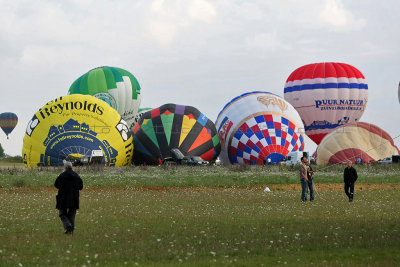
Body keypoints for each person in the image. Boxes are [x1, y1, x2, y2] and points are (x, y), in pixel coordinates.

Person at [55, 160, 83, 234]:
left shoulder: (62, 176)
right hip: (74, 198)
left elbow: (56, 185)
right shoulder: (76, 176)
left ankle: (67, 225)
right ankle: (70, 232)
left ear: (65, 168)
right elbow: (81, 187)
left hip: (63, 198)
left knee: (62, 214)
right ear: (72, 167)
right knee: (72, 215)